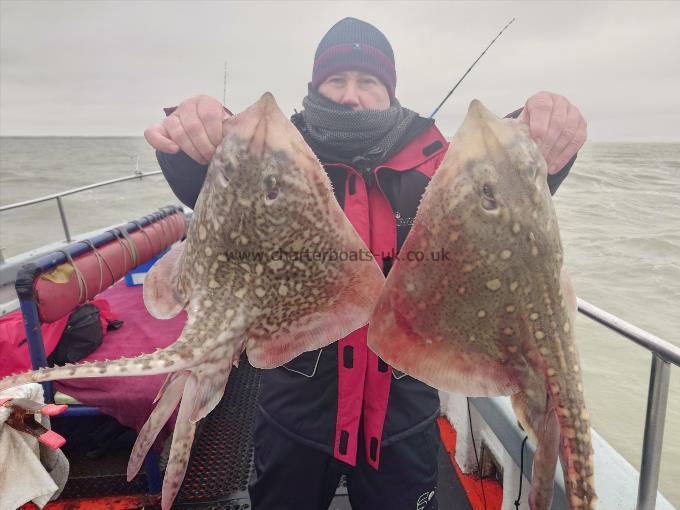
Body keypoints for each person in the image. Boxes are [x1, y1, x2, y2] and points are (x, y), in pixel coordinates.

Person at [145, 17, 586, 510]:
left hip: (402, 415)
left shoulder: (433, 162)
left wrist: (542, 137)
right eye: (336, 80)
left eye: (367, 81)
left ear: (390, 92)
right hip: (296, 412)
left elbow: (499, 187)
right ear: (315, 87)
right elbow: (213, 186)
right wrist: (196, 137)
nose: (350, 94)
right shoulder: (279, 156)